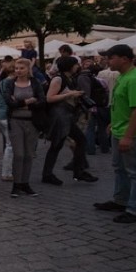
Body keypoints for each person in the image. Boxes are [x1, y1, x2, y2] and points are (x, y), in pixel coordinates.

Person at [93, 44, 136, 223]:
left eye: (111, 58)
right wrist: (114, 122)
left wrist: (128, 136)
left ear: (125, 59)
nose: (107, 61)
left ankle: (135, 210)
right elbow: (123, 105)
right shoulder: (123, 76)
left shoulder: (135, 79)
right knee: (120, 169)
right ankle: (121, 201)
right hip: (120, 129)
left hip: (133, 132)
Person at [42, 56, 98, 185]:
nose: (77, 66)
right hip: (60, 116)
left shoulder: (69, 78)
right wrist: (70, 94)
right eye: (75, 64)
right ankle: (51, 174)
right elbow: (49, 98)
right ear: (69, 65)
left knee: (70, 142)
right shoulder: (58, 79)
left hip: (66, 115)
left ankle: (76, 171)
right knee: (58, 144)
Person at [2, 59, 46, 197]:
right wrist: (27, 101)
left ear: (28, 69)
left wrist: (23, 103)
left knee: (29, 154)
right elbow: (9, 102)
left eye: (21, 68)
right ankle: (16, 185)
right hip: (16, 121)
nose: (18, 70)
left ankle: (25, 184)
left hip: (32, 122)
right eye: (16, 68)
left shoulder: (34, 83)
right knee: (19, 154)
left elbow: (42, 101)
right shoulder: (10, 83)